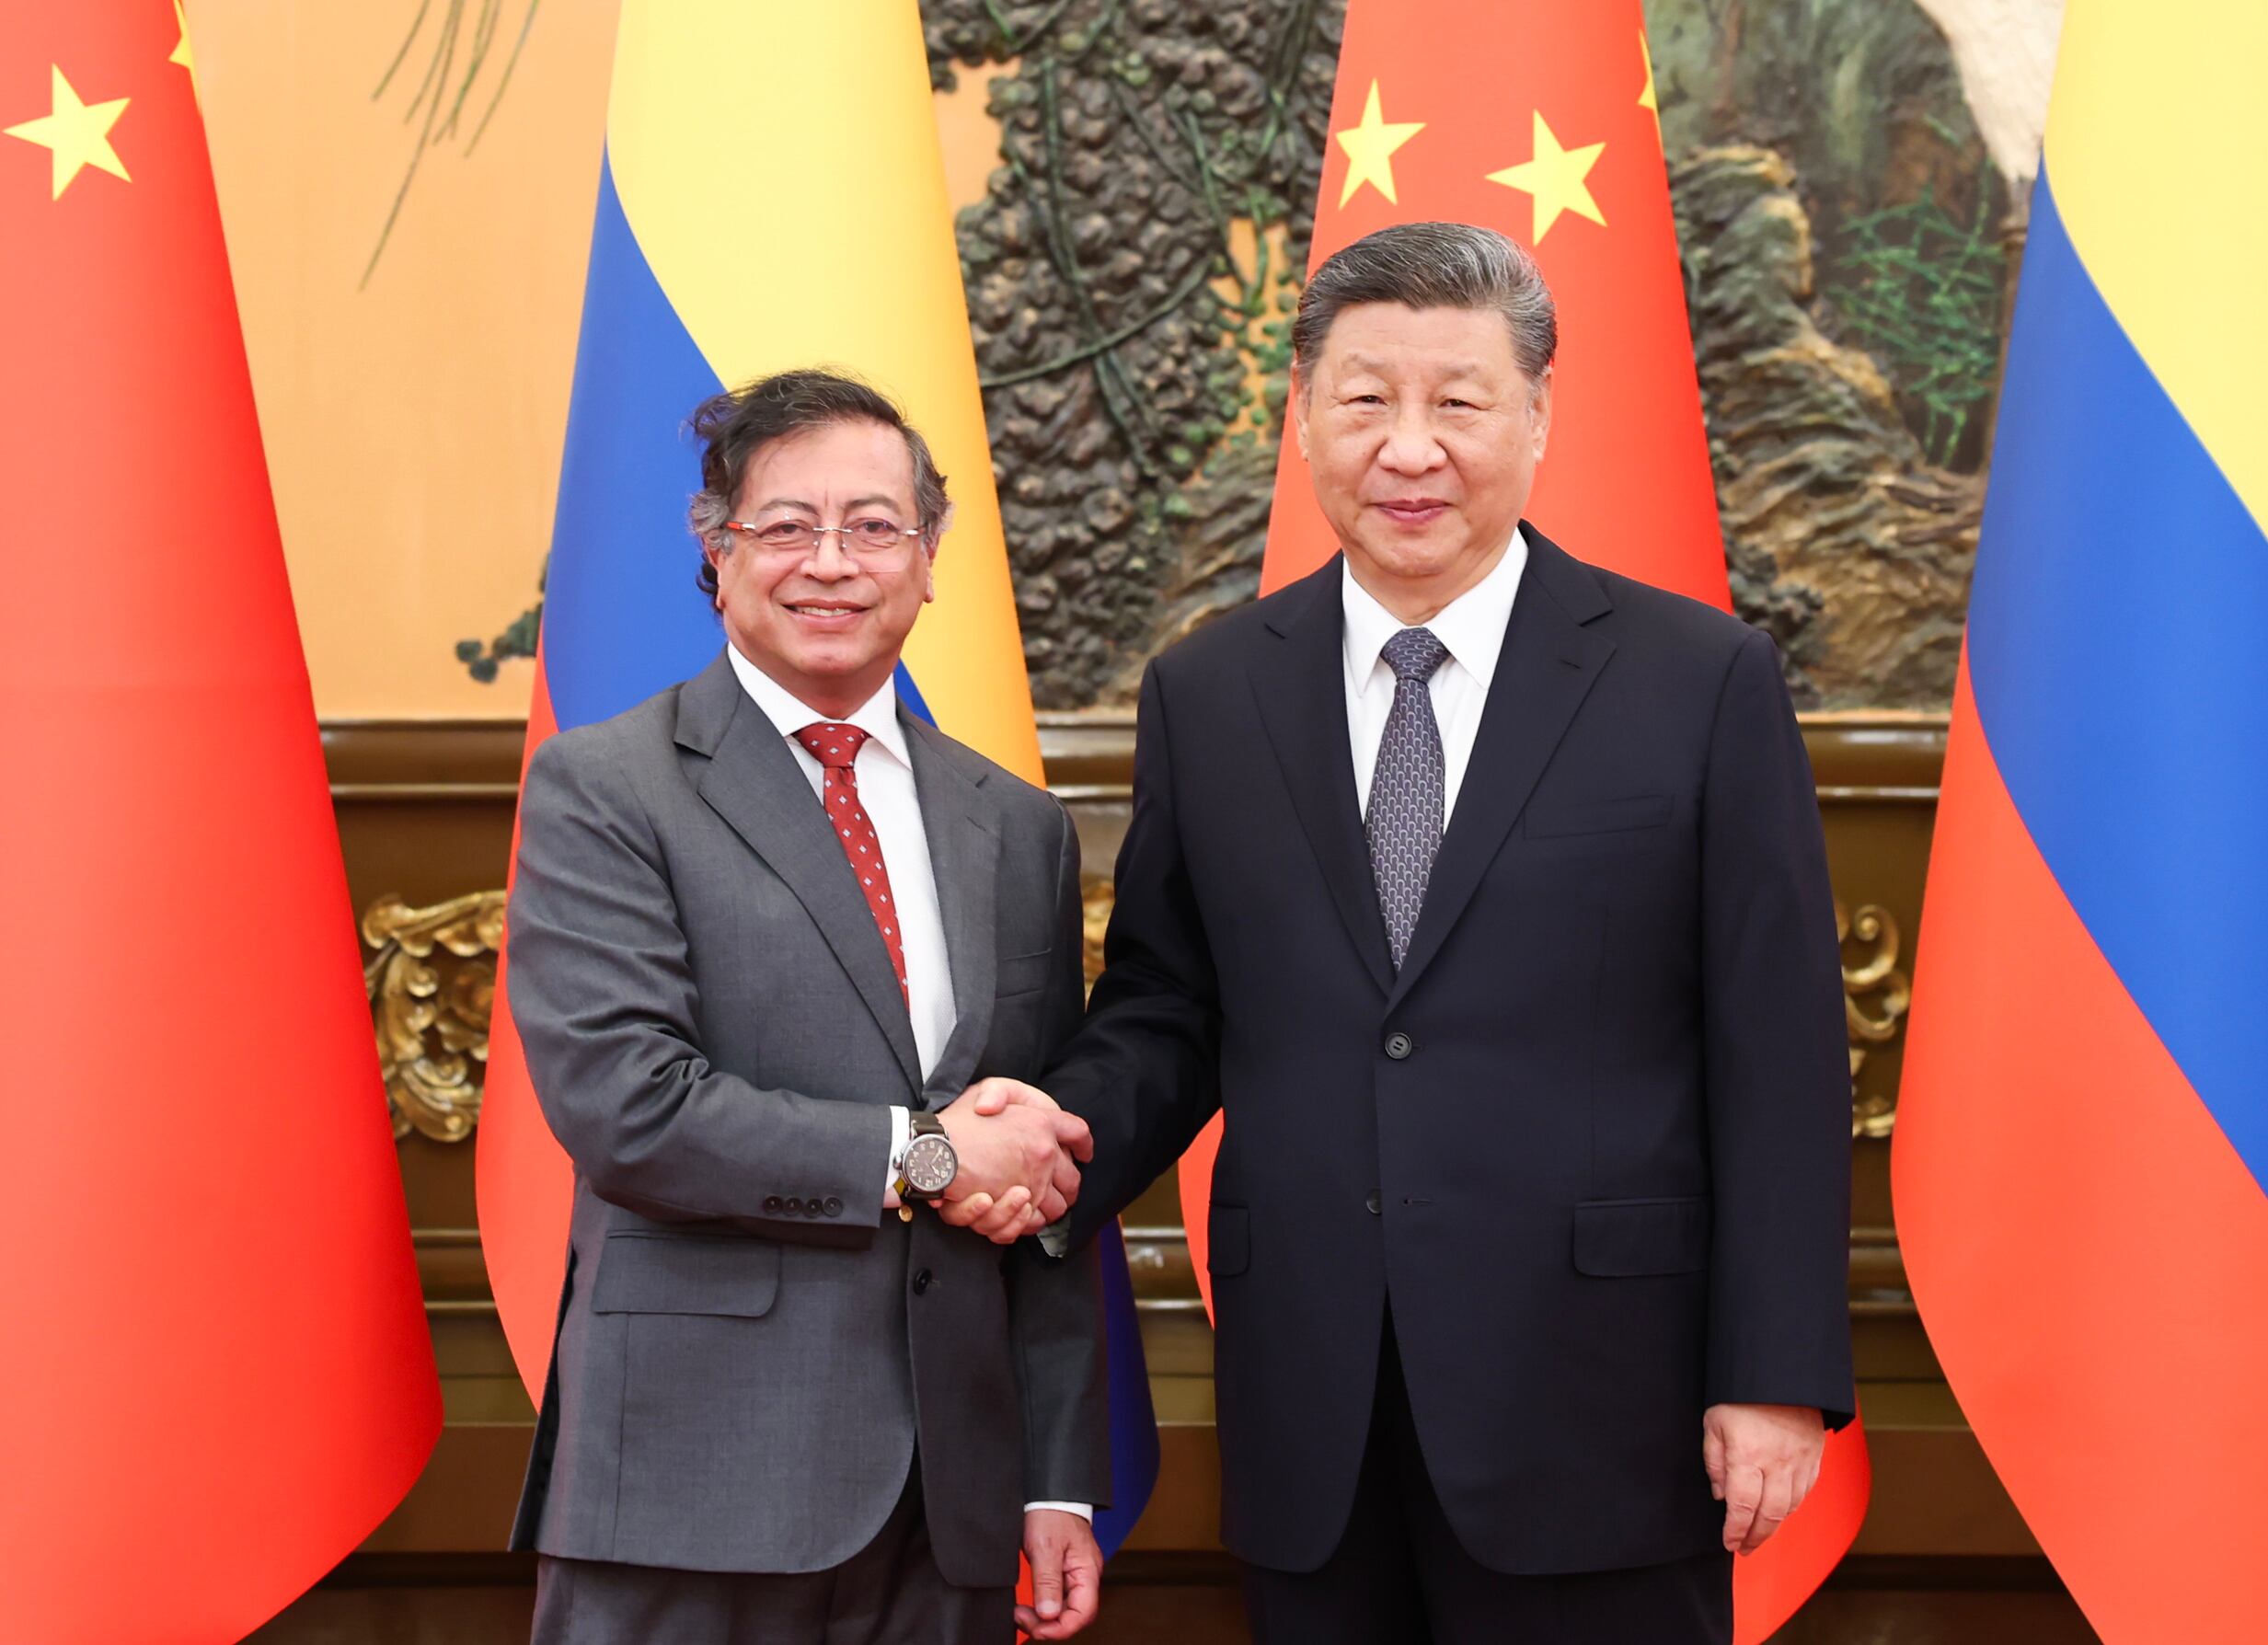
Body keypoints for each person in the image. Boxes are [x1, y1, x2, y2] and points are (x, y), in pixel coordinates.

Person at [976, 222, 1856, 1641]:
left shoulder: (1696, 680)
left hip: (1601, 1405)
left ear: (1536, 418)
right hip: (1313, 1405)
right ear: (1303, 420)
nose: (1409, 448)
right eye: (1365, 398)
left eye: (1457, 401)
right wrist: (1050, 1140)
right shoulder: (1209, 693)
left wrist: (1771, 1373)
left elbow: (1779, 1053)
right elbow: (1168, 1005)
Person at [504, 369, 1110, 1643]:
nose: (829, 562)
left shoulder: (1018, 827)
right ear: (718, 555)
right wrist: (925, 1155)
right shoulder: (606, 789)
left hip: (949, 1501)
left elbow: (1045, 1169)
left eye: (873, 525)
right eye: (784, 526)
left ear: (930, 556)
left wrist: (1055, 1475)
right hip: (693, 1481)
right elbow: (628, 1108)